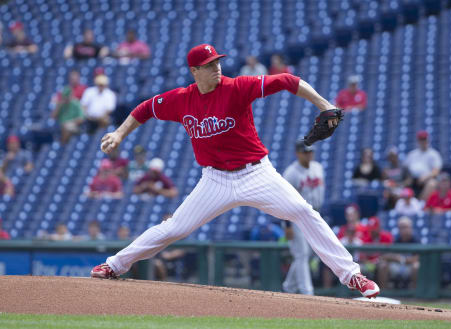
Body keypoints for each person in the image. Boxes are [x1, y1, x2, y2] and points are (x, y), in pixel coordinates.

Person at [90, 43, 380, 298]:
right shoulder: (181, 99)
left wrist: (324, 104)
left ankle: (352, 275)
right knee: (175, 227)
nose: (217, 67)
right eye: (209, 65)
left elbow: (287, 80)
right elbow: (145, 109)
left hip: (256, 174)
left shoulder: (236, 87)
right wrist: (119, 133)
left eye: (217, 62)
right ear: (194, 71)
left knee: (303, 212)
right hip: (214, 179)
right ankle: (115, 264)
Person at [282, 141, 325, 296]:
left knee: (311, 253)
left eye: (310, 151)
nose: (309, 154)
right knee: (301, 254)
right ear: (297, 153)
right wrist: (287, 225)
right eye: (305, 152)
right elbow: (284, 200)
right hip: (295, 217)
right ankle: (307, 292)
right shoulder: (291, 173)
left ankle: (289, 287)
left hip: (314, 214)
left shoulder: (318, 168)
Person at [378, 216, 419, 289]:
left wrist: (405, 260)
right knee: (383, 265)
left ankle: (414, 292)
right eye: (401, 227)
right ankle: (384, 293)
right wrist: (397, 258)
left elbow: (419, 257)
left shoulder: (416, 240)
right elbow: (386, 255)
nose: (404, 230)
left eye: (406, 227)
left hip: (410, 266)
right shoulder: (396, 240)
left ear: (411, 228)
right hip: (397, 265)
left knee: (416, 266)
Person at [404, 130, 442, 201]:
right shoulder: (412, 154)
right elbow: (405, 169)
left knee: (432, 184)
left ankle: (421, 204)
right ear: (418, 141)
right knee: (402, 184)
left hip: (426, 180)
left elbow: (436, 171)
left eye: (424, 139)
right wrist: (408, 178)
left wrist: (425, 177)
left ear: (427, 140)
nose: (423, 141)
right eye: (421, 139)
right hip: (412, 179)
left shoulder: (433, 154)